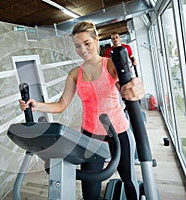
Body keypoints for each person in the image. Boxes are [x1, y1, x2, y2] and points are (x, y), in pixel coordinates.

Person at [19, 21, 143, 200]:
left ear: (97, 40)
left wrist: (138, 86)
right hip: (90, 136)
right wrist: (36, 105)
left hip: (118, 131)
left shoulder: (110, 65)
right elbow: (61, 105)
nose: (82, 49)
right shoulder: (75, 73)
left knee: (129, 180)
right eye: (77, 46)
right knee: (90, 193)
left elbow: (131, 82)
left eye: (87, 43)